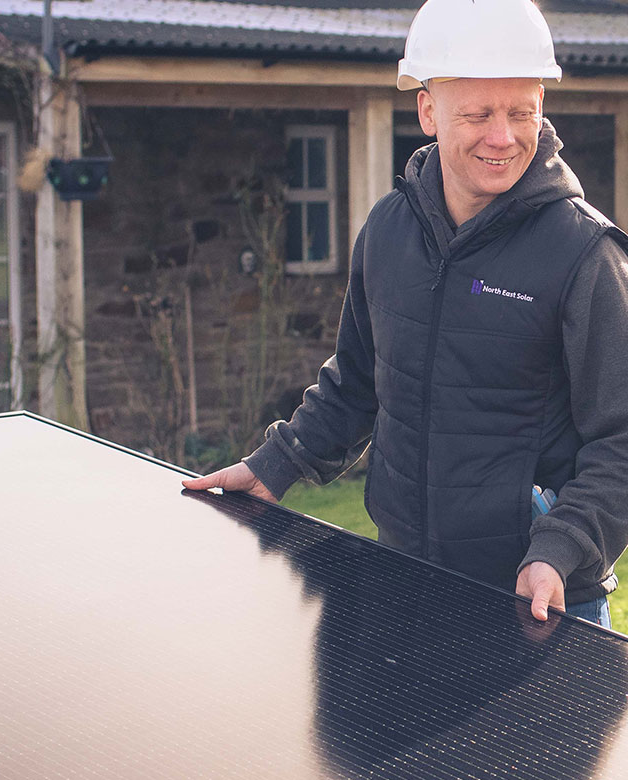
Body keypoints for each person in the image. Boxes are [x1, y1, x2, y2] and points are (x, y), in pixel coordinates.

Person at [184, 0, 628, 629]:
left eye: (521, 112)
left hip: (542, 599)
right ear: (428, 112)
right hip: (407, 577)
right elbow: (360, 381)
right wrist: (274, 466)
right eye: (477, 114)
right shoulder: (389, 231)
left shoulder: (586, 254)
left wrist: (559, 549)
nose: (502, 137)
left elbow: (623, 439)